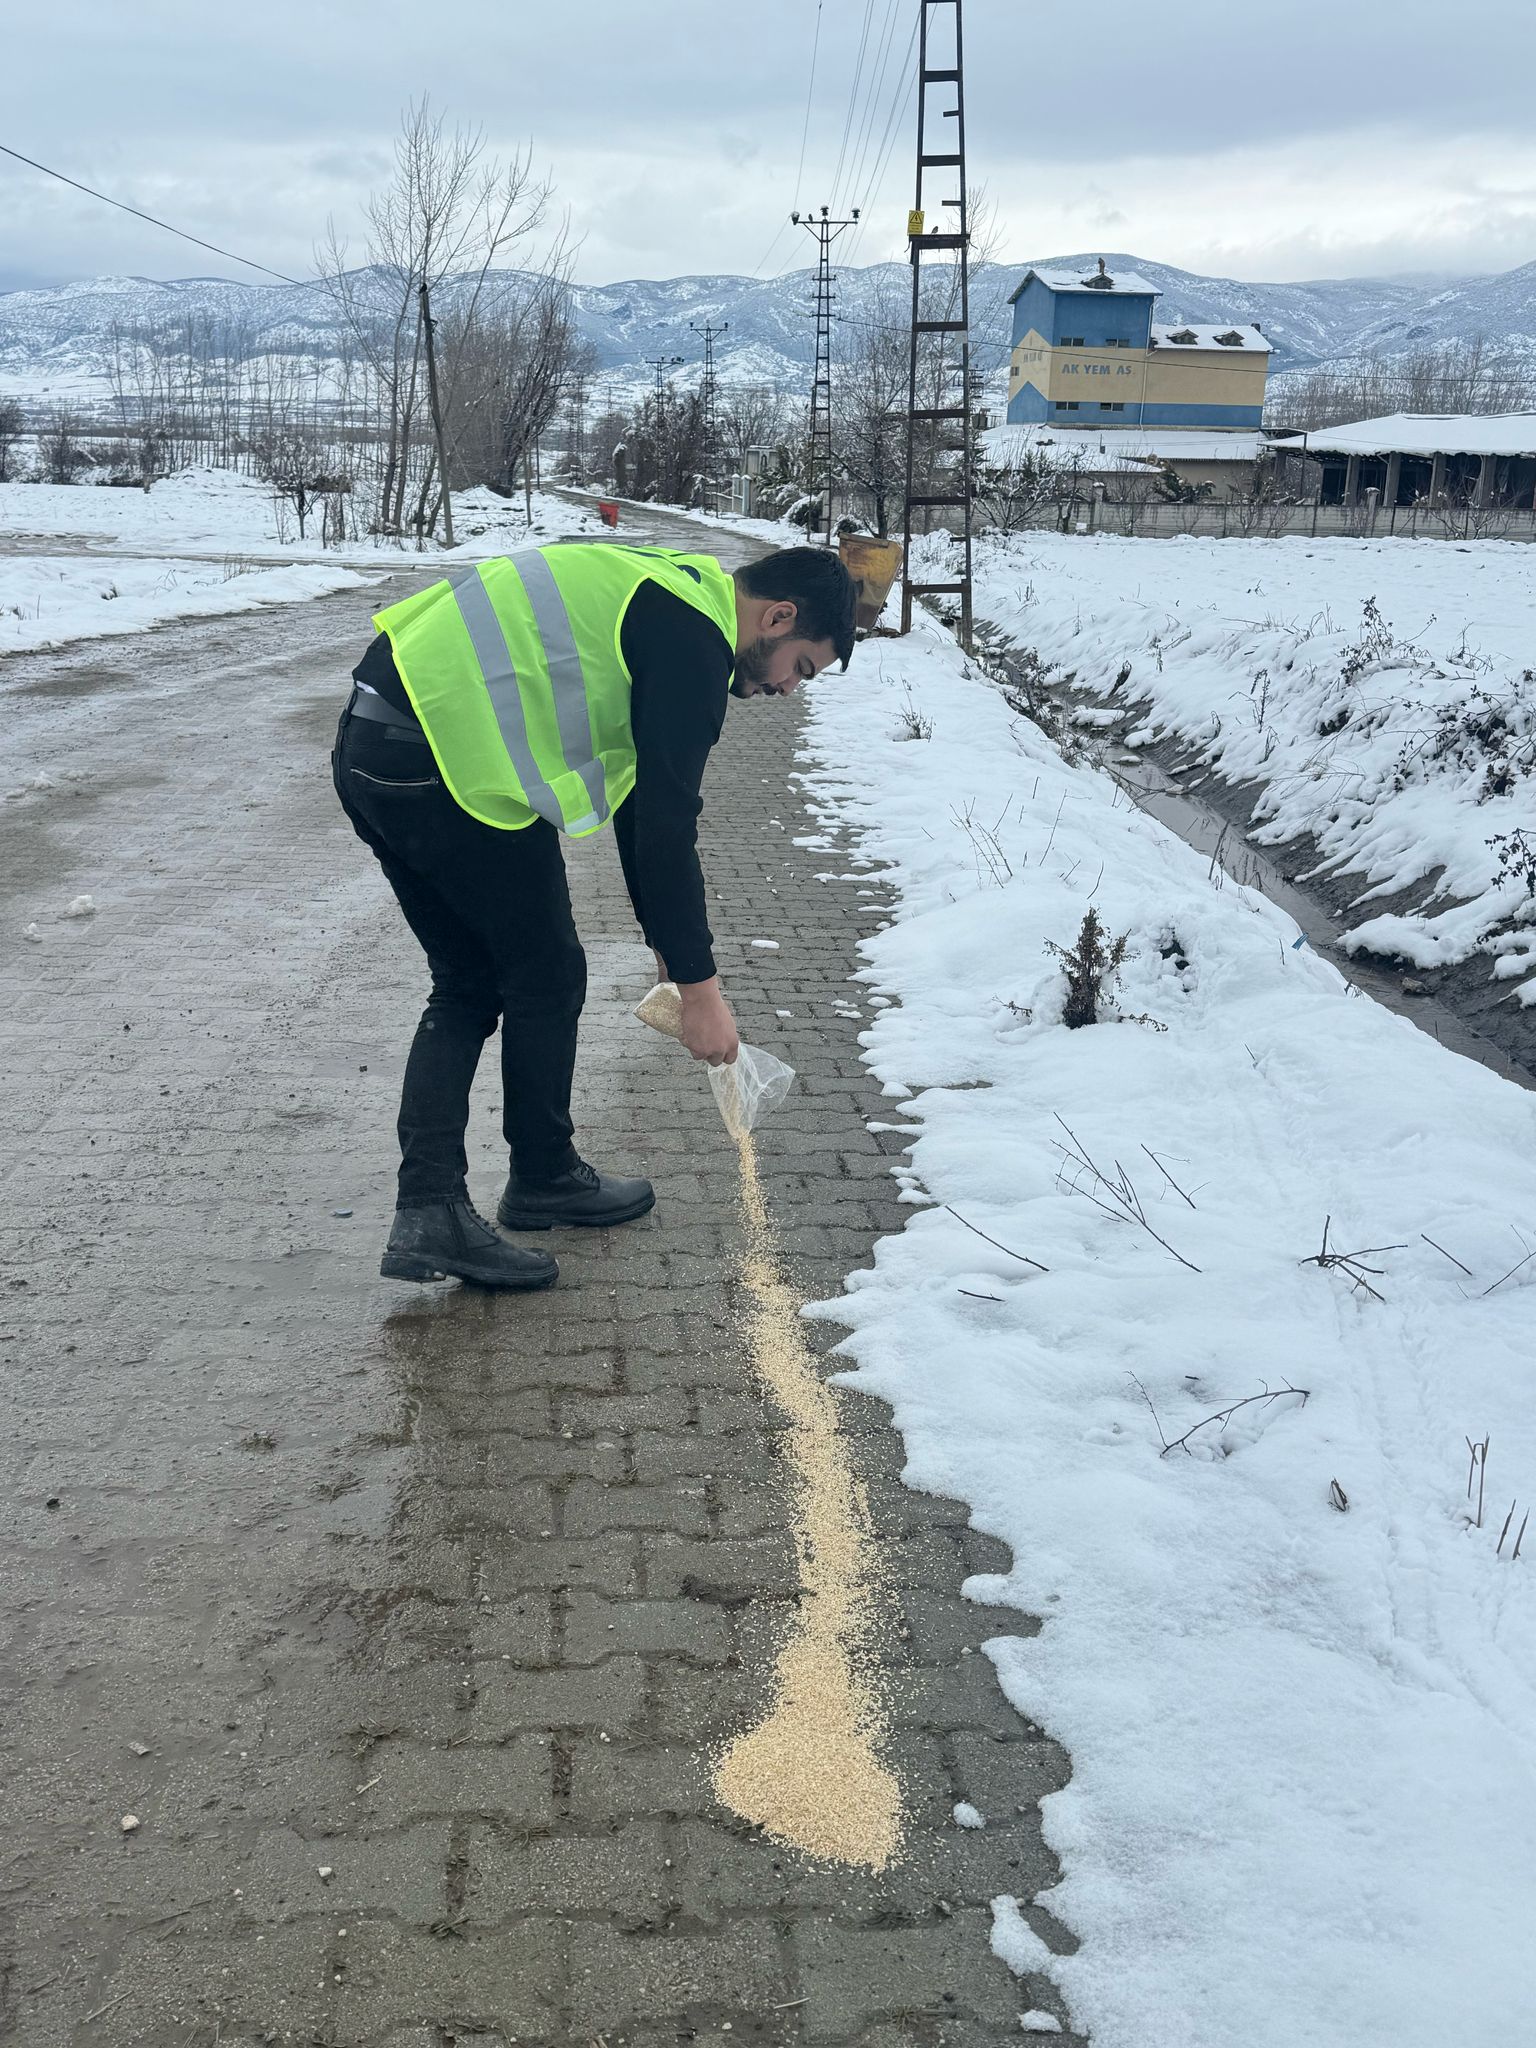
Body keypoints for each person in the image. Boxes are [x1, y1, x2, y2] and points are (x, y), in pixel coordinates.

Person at [332, 541, 857, 1290]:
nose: (788, 691)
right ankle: (509, 1187)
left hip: (373, 744)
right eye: (800, 667)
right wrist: (703, 996)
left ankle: (463, 1197)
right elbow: (667, 825)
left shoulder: (670, 589)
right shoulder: (693, 641)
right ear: (779, 616)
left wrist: (676, 955)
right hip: (444, 762)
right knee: (541, 976)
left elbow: (646, 813)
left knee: (471, 983)